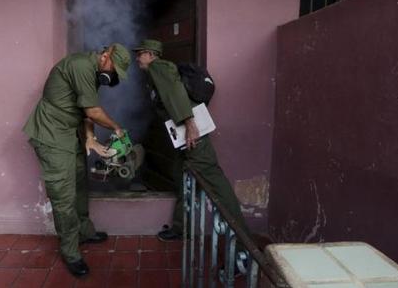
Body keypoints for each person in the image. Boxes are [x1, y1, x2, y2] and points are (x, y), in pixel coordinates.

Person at [23, 43, 130, 277]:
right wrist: (117, 128)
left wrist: (90, 138)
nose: (112, 77)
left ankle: (85, 232)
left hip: (71, 133)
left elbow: (85, 110)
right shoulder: (81, 65)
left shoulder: (92, 72)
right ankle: (71, 252)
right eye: (113, 70)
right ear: (105, 57)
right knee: (64, 194)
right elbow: (92, 111)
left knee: (80, 183)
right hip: (52, 135)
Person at [133, 39, 250, 242]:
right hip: (185, 139)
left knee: (216, 186)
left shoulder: (158, 67)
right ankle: (180, 228)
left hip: (194, 137)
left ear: (151, 54)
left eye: (140, 53)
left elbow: (175, 95)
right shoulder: (156, 74)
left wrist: (190, 125)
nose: (137, 58)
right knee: (181, 177)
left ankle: (243, 248)